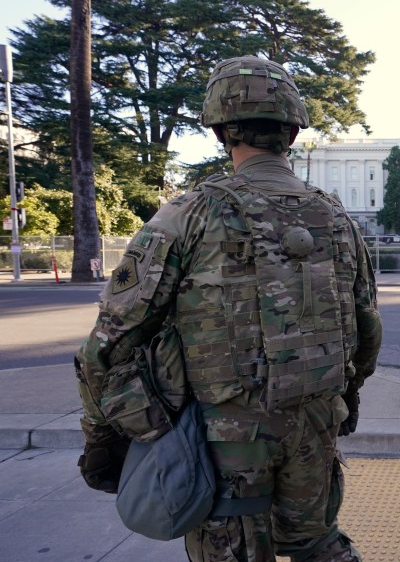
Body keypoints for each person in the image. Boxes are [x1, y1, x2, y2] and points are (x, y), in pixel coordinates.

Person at [74, 55, 382, 562]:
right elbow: (366, 330)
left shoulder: (190, 213)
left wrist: (106, 438)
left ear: (221, 129)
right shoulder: (338, 218)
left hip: (226, 438)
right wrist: (341, 403)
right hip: (315, 423)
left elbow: (106, 345)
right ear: (292, 130)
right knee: (318, 543)